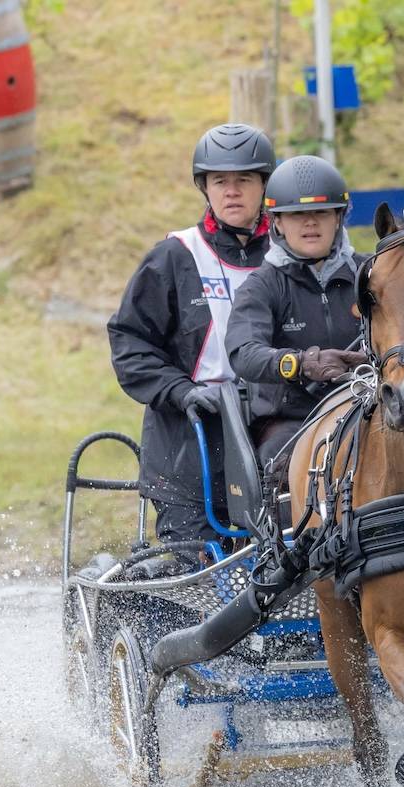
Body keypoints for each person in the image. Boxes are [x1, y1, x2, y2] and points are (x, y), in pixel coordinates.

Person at [107, 123, 276, 549]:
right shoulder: (174, 257)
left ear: (264, 187)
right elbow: (130, 346)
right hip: (189, 446)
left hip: (272, 435)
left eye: (244, 181)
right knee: (200, 570)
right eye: (220, 182)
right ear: (205, 188)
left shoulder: (286, 256)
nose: (232, 192)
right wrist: (181, 392)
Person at [225, 155, 368, 475]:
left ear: (339, 218)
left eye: (321, 212)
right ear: (277, 222)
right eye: (297, 214)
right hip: (293, 421)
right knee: (284, 468)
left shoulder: (370, 273)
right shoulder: (261, 286)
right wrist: (301, 364)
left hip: (373, 408)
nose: (310, 222)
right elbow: (243, 353)